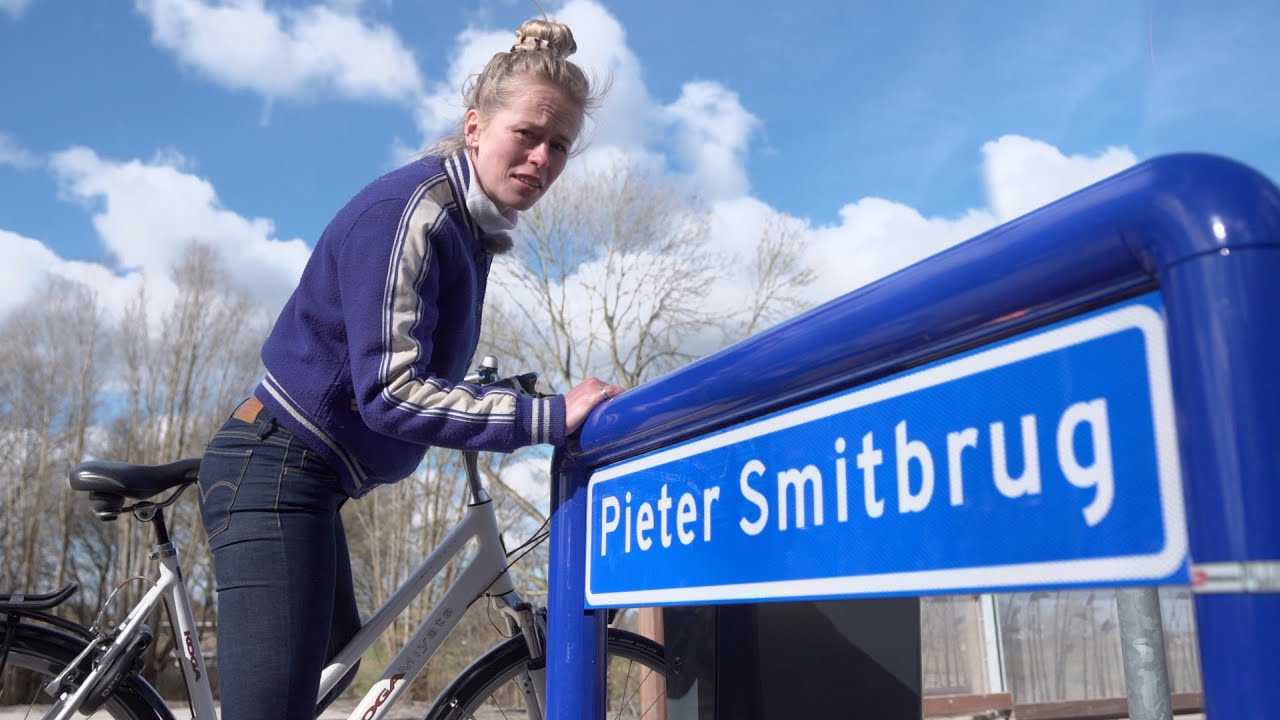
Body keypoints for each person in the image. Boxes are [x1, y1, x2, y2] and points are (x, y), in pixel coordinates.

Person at [196, 17, 618, 720]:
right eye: (528, 135)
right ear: (476, 126)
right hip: (273, 469)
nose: (543, 158)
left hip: (310, 476)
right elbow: (389, 392)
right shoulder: (416, 213)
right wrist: (544, 418)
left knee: (336, 658)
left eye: (560, 146)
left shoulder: (467, 228)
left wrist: (497, 394)